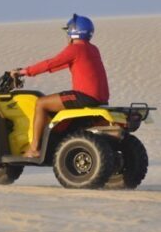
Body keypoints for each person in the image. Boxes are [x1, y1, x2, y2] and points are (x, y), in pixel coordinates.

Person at [11, 14, 110, 158]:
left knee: (41, 103)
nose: (67, 35)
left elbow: (50, 63)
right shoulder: (92, 49)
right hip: (100, 98)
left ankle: (34, 149)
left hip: (84, 96)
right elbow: (60, 64)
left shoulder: (74, 49)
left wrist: (24, 72)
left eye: (68, 31)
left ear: (73, 32)